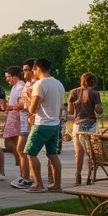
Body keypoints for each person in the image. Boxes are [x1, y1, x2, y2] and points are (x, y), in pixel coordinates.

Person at [24, 58, 65, 193]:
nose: (32, 72)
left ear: (37, 68)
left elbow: (32, 109)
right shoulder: (58, 84)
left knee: (30, 152)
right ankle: (57, 184)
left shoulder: (40, 84)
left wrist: (29, 97)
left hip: (42, 124)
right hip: (55, 124)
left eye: (33, 70)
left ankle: (38, 184)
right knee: (52, 154)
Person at [68, 72, 103, 185]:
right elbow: (99, 111)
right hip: (91, 125)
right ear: (93, 81)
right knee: (91, 152)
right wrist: (98, 106)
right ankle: (89, 176)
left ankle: (78, 174)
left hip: (78, 125)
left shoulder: (73, 92)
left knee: (79, 152)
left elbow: (70, 111)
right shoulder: (95, 93)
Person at [10, 59, 37, 189]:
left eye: (27, 70)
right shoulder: (27, 84)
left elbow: (31, 105)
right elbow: (23, 102)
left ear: (34, 70)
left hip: (30, 120)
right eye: (23, 70)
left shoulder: (36, 84)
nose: (24, 72)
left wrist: (20, 106)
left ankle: (27, 178)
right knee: (21, 149)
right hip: (22, 119)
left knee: (23, 149)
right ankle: (24, 176)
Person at [2, 66, 26, 178]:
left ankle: (22, 164)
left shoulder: (21, 87)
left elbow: (22, 104)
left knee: (14, 144)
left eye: (8, 77)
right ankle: (21, 165)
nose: (7, 79)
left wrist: (10, 107)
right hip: (12, 117)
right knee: (11, 143)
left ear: (15, 76)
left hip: (17, 118)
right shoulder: (15, 87)